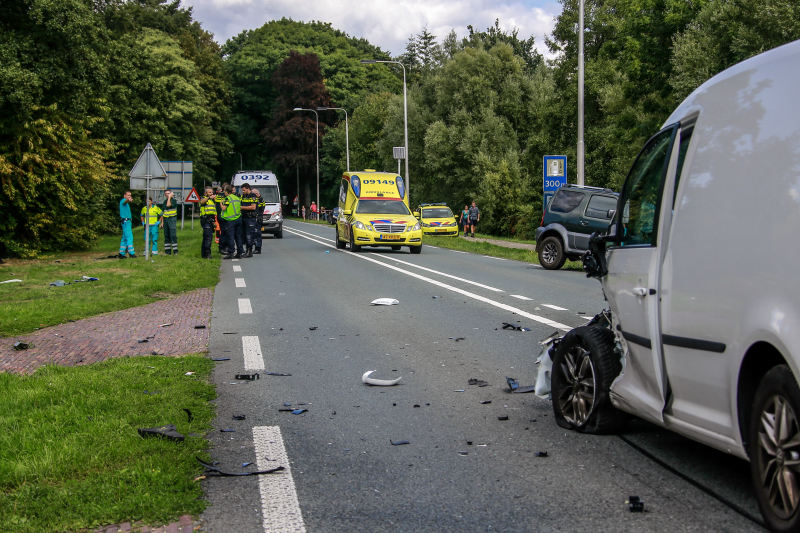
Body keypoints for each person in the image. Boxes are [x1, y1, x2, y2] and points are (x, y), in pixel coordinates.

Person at [220, 184, 243, 259]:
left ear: (226, 191)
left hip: (230, 220)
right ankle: (239, 253)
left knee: (230, 237)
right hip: (238, 219)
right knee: (238, 237)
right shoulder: (237, 197)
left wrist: (221, 203)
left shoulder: (227, 198)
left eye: (224, 191)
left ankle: (231, 252)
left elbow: (223, 208)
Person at [239, 183, 258, 258]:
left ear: (248, 189)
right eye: (242, 190)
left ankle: (249, 251)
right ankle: (246, 250)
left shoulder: (253, 196)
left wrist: (242, 207)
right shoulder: (243, 196)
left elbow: (253, 207)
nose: (243, 191)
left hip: (250, 218)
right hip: (243, 217)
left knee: (249, 235)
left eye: (244, 190)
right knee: (243, 235)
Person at [199, 187, 217, 259]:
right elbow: (202, 202)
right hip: (205, 220)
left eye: (212, 192)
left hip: (211, 220)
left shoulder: (212, 201)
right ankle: (207, 254)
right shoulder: (204, 199)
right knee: (208, 238)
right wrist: (209, 197)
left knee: (206, 238)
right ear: (205, 193)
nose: (211, 194)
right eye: (210, 192)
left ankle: (204, 254)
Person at [118, 191, 136, 259]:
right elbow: (125, 201)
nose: (129, 196)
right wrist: (128, 199)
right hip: (126, 221)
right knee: (129, 237)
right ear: (124, 195)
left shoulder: (126, 203)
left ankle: (121, 253)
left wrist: (128, 200)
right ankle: (132, 253)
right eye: (128, 195)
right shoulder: (123, 201)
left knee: (124, 238)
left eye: (130, 195)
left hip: (127, 222)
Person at [161, 190, 179, 254]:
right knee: (166, 235)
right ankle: (167, 251)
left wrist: (170, 197)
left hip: (172, 219)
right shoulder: (165, 201)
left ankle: (175, 251)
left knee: (173, 235)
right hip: (166, 219)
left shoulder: (173, 201)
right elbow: (163, 212)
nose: (167, 195)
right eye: (166, 194)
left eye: (168, 193)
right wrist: (162, 223)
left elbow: (168, 205)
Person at [215, 184, 229, 255]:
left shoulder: (218, 195)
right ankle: (222, 248)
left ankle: (223, 247)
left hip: (219, 215)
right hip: (223, 215)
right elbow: (224, 206)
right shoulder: (225, 196)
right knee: (224, 232)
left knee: (223, 231)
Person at [252, 188, 265, 254]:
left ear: (256, 194)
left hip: (258, 218)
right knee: (254, 233)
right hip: (256, 218)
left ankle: (258, 248)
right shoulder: (259, 199)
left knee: (257, 234)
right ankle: (255, 247)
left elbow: (260, 209)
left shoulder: (260, 200)